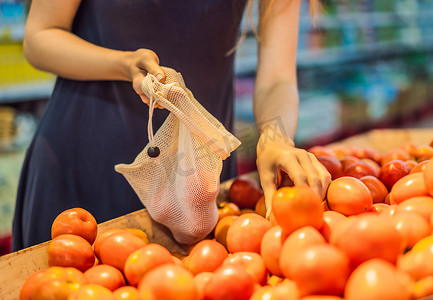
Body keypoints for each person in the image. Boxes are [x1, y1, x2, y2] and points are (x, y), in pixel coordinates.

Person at [12, 0, 330, 250]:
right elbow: (40, 37)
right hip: (86, 155)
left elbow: (277, 78)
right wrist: (123, 65)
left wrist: (276, 139)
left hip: (198, 172)